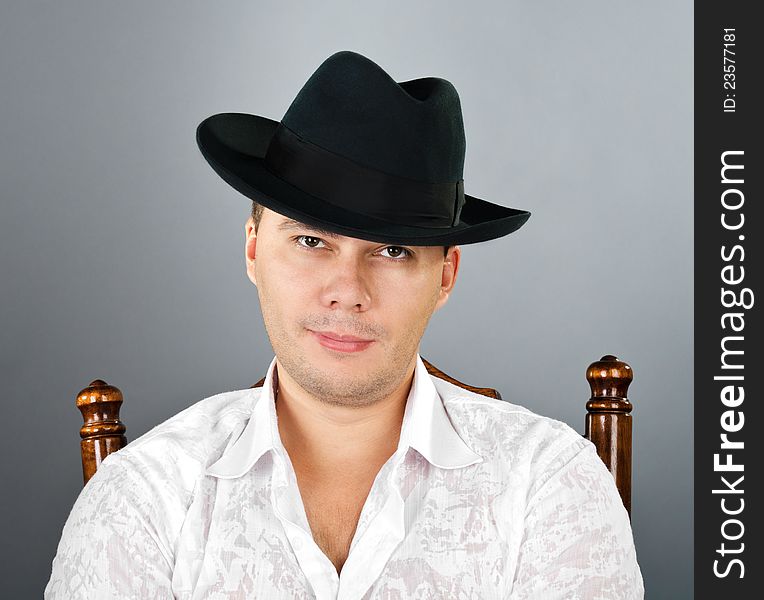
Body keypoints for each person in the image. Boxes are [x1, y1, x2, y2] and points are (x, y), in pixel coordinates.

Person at [45, 50, 644, 599]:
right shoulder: (144, 497)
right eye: (310, 240)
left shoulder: (548, 485)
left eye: (393, 251)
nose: (347, 292)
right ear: (253, 250)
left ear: (445, 276)